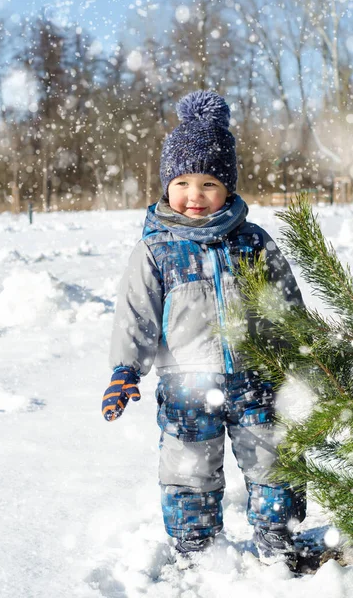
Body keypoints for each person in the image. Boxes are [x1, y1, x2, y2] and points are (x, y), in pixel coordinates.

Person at [101, 90, 306, 568]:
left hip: (257, 380)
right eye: (183, 182)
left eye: (209, 183)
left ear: (229, 188)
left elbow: (284, 304)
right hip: (186, 387)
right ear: (166, 186)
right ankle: (196, 547)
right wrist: (123, 370)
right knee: (188, 468)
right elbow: (135, 314)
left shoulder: (254, 242)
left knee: (274, 463)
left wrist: (298, 357)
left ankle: (278, 538)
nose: (195, 196)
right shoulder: (155, 249)